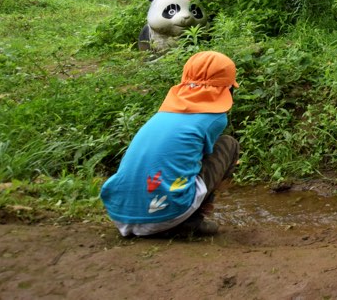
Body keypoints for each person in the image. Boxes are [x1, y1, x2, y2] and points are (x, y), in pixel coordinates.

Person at [100, 51, 241, 237]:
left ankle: (162, 212)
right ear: (228, 87)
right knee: (228, 145)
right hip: (168, 215)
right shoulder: (215, 119)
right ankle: (191, 221)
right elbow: (202, 159)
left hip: (120, 214)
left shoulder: (165, 112)